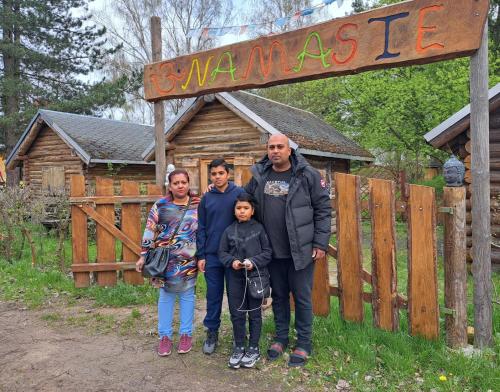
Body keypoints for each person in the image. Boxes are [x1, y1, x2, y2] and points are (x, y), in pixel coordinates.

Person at [244, 133, 331, 367]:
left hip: (300, 251)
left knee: (302, 298)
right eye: (271, 147)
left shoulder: (306, 174)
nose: (275, 151)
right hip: (271, 252)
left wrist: (320, 243)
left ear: (289, 149)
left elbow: (323, 208)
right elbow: (244, 199)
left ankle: (303, 343)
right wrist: (218, 188)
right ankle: (281, 337)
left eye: (280, 147)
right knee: (279, 296)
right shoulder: (260, 174)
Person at [136, 169, 200, 357]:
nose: (180, 186)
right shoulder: (160, 205)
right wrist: (143, 255)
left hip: (189, 259)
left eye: (184, 182)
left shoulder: (198, 204)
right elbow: (150, 230)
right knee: (166, 297)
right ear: (169, 186)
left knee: (188, 296)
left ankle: (186, 335)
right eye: (176, 183)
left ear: (189, 183)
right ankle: (164, 337)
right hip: (164, 261)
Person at [196, 158, 244, 355]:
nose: (217, 177)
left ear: (228, 174)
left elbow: (247, 219)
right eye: (214, 174)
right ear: (210, 176)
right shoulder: (207, 198)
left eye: (221, 173)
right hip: (212, 256)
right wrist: (201, 254)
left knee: (236, 296)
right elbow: (202, 228)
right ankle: (212, 332)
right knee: (213, 296)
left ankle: (239, 335)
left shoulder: (239, 194)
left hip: (234, 256)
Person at [218, 193, 272, 369]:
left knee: (255, 314)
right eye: (239, 208)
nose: (242, 211)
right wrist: (231, 262)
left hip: (255, 278)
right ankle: (239, 346)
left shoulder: (259, 229)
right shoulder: (228, 230)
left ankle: (253, 348)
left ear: (252, 210)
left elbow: (267, 252)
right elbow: (222, 253)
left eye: (245, 208)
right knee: (237, 313)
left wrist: (253, 262)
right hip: (235, 279)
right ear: (234, 211)